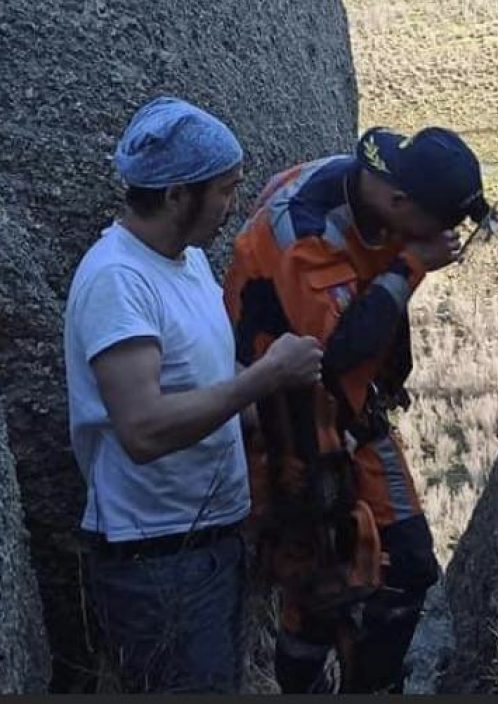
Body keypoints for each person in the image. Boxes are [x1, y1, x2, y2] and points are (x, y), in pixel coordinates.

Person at [223, 125, 495, 693]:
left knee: (406, 566)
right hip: (290, 425)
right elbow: (336, 352)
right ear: (400, 202)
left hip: (350, 411)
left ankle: (363, 683)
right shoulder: (307, 234)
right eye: (441, 224)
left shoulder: (370, 191)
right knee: (321, 579)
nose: (446, 237)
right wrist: (410, 265)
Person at [64, 96, 322, 693]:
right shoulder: (117, 280)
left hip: (207, 546)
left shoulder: (185, 262)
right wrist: (265, 376)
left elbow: (207, 376)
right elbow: (143, 429)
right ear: (178, 195)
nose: (234, 206)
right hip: (156, 562)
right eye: (226, 190)